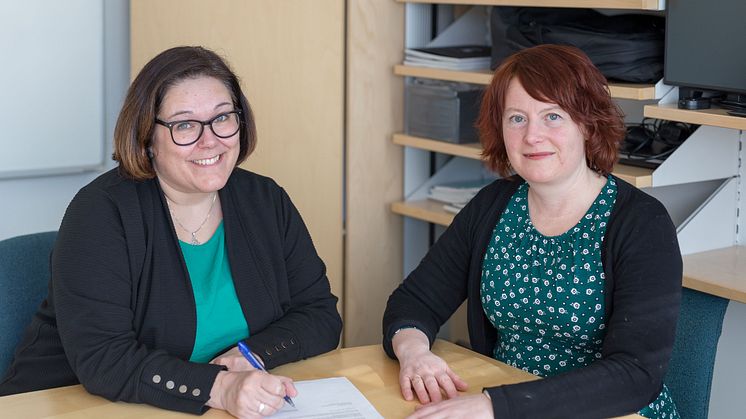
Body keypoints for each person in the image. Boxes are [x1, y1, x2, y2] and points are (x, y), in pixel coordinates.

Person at [0, 46, 342, 418]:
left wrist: (248, 357)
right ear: (148, 139)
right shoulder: (100, 212)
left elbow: (320, 315)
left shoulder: (265, 200)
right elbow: (104, 360)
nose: (209, 140)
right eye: (184, 125)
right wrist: (219, 387)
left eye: (223, 118)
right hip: (69, 405)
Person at [382, 44, 682, 419]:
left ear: (587, 124)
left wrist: (494, 406)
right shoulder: (493, 204)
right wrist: (414, 353)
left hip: (611, 412)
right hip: (505, 398)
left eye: (552, 116)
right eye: (517, 119)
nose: (532, 136)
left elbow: (635, 374)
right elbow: (415, 300)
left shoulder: (641, 223)